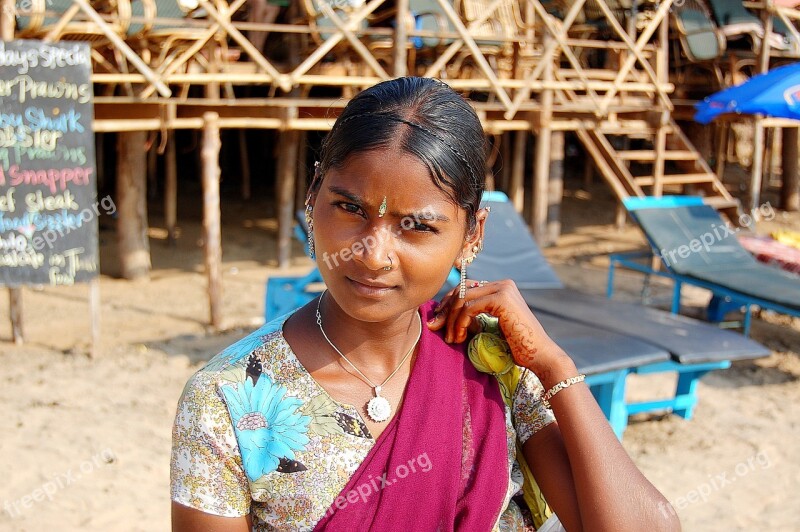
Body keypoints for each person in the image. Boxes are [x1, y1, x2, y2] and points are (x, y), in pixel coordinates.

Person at [170, 77, 680, 531]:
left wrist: (554, 364)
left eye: (417, 226)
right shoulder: (228, 399)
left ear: (470, 235)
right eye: (350, 208)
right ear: (312, 197)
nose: (373, 256)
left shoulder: (494, 366)